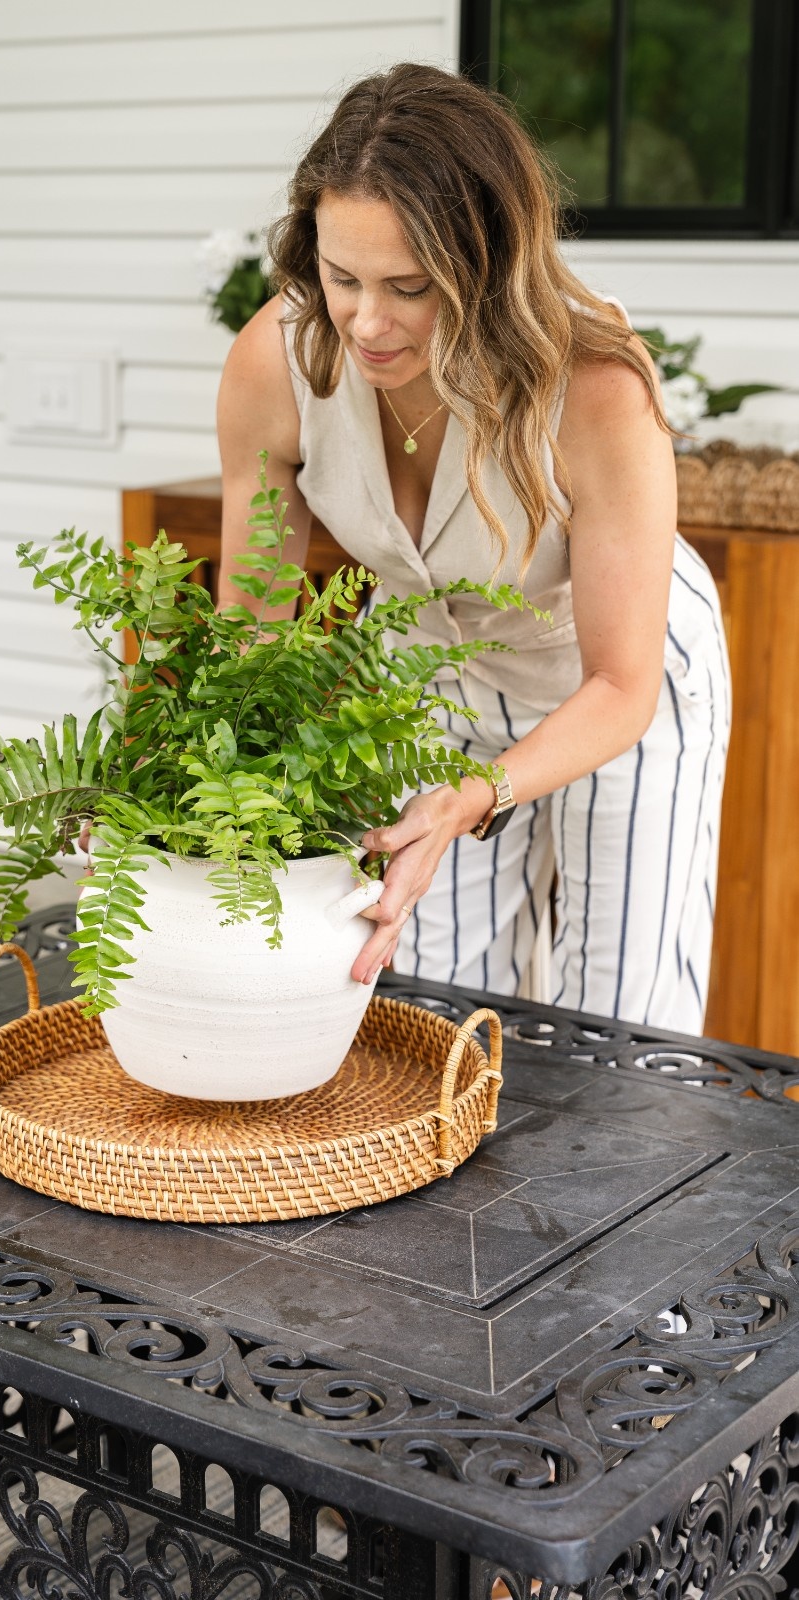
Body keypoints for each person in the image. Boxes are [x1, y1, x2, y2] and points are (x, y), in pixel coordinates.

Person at [215, 63, 730, 1033]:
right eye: (340, 278)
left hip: (611, 683)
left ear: (485, 267)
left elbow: (620, 684)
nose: (367, 322)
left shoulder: (594, 387)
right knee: (427, 1010)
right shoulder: (275, 365)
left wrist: (473, 797)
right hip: (431, 678)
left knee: (613, 1030)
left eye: (409, 287)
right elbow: (252, 634)